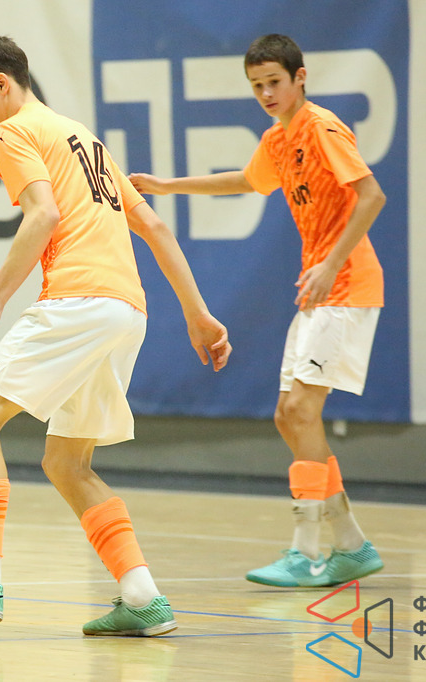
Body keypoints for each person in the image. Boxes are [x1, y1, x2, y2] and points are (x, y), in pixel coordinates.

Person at [0, 31, 231, 637]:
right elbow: (155, 227)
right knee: (68, 462)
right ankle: (142, 596)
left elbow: (44, 214)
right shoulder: (84, 137)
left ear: (2, 84)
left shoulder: (11, 131)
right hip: (127, 311)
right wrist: (198, 314)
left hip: (78, 300)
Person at [130, 34, 386, 588]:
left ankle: (307, 552)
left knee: (299, 412)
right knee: (288, 417)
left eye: (274, 82)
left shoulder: (321, 128)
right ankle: (350, 544)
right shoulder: (278, 138)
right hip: (319, 291)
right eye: (256, 86)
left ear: (300, 78)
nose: (266, 93)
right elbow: (247, 181)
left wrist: (329, 264)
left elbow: (372, 196)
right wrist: (167, 185)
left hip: (345, 286)